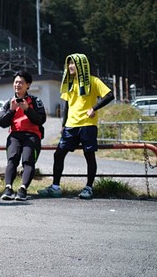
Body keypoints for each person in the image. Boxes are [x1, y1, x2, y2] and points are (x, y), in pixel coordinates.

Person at [38, 53, 114, 199]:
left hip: (87, 124)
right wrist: (63, 124)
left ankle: (88, 188)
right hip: (71, 126)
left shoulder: (93, 81)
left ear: (81, 65)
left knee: (89, 156)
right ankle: (55, 187)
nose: (70, 66)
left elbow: (109, 95)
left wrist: (94, 108)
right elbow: (67, 105)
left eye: (73, 63)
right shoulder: (69, 83)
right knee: (58, 154)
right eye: (69, 64)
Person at [0, 71, 47, 201]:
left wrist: (27, 109)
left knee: (28, 160)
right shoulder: (9, 102)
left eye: (21, 82)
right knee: (12, 159)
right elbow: (2, 123)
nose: (17, 85)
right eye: (16, 82)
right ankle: (8, 188)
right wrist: (12, 110)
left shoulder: (36, 101)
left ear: (28, 85)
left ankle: (23, 189)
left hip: (32, 135)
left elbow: (41, 120)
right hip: (15, 135)